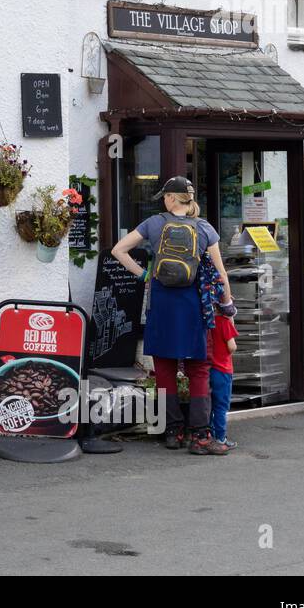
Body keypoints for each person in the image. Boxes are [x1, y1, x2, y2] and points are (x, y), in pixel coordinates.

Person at [110, 176, 231, 455]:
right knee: (198, 369)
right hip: (194, 307)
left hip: (161, 306)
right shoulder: (204, 228)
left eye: (165, 196)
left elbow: (119, 250)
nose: (164, 200)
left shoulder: (154, 224)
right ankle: (201, 436)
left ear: (172, 198)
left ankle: (173, 432)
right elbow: (221, 274)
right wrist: (227, 305)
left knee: (164, 370)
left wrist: (145, 275)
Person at [208, 298, 239, 454]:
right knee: (221, 406)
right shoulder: (225, 323)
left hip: (210, 368)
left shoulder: (210, 321)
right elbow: (232, 346)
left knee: (210, 406)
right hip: (223, 369)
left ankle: (210, 435)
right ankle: (221, 438)